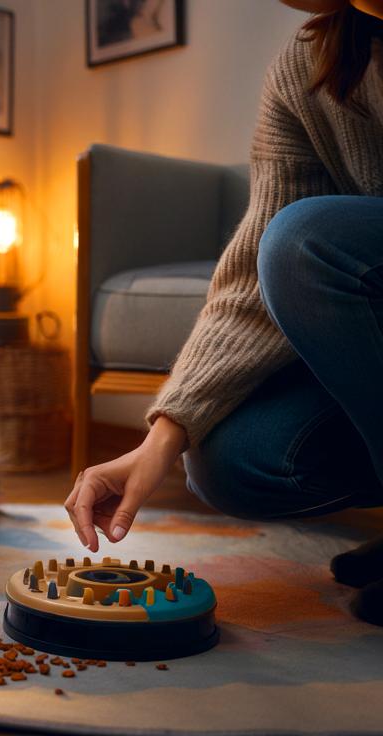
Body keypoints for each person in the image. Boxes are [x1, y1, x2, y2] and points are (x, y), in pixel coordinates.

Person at [64, 0, 383, 625]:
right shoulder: (308, 64)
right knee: (228, 461)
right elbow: (255, 278)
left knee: (306, 239)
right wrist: (162, 438)